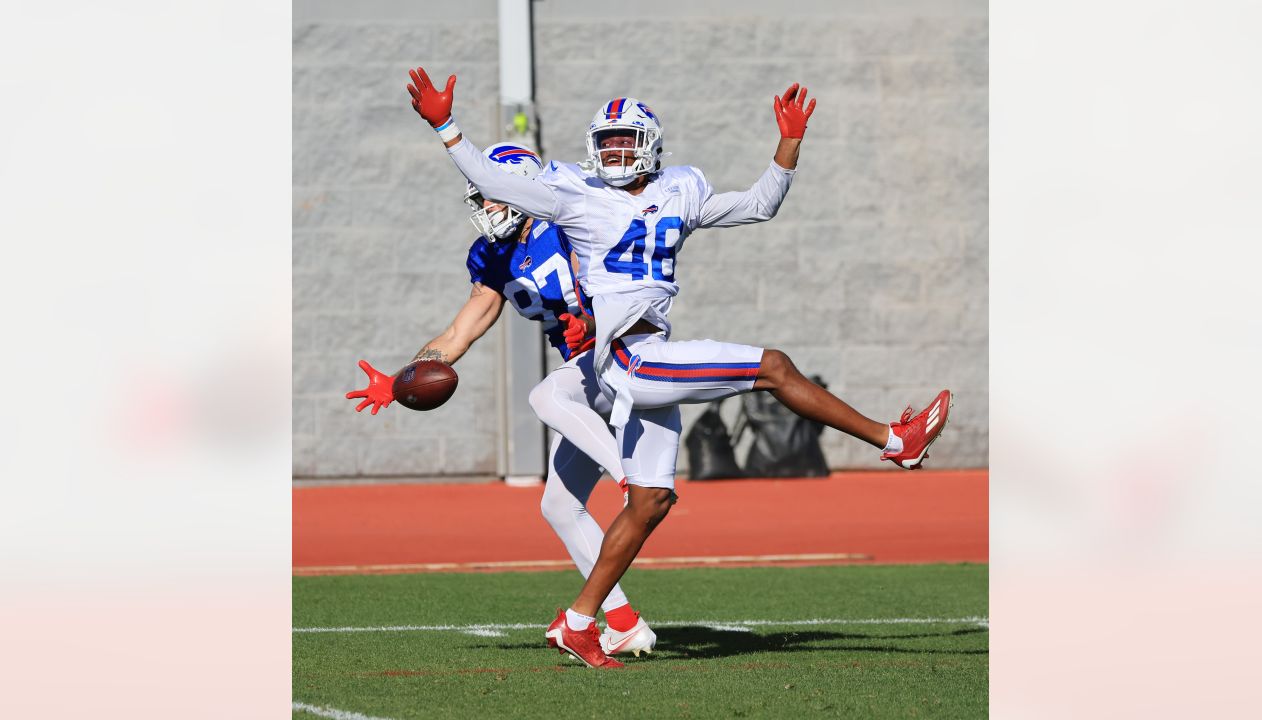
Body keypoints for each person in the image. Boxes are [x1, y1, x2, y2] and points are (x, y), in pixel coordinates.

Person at [406, 68, 954, 669]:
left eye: (623, 140)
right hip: (627, 359)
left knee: (651, 502)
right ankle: (893, 439)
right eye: (605, 141)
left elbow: (759, 206)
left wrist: (788, 147)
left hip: (651, 356)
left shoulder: (680, 189)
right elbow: (487, 177)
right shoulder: (573, 195)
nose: (613, 150)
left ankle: (581, 623)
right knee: (772, 366)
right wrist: (446, 125)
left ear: (648, 145)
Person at [344, 142, 659, 659]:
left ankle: (630, 478)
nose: (485, 206)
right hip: (584, 371)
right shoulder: (491, 255)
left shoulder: (568, 220)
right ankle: (622, 620)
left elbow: (621, 280)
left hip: (622, 352)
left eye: (491, 195)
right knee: (559, 505)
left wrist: (599, 318)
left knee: (545, 396)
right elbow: (461, 332)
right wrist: (402, 379)